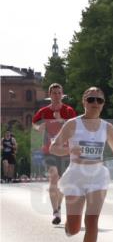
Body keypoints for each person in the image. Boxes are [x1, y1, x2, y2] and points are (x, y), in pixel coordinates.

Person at [48, 87, 113, 242]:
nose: (95, 103)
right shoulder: (72, 125)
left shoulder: (107, 127)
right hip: (76, 175)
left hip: (97, 176)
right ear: (84, 101)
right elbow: (54, 147)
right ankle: (69, 226)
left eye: (99, 100)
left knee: (92, 221)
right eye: (91, 99)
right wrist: (68, 150)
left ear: (103, 104)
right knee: (74, 228)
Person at [32, 83, 77, 224]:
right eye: (54, 93)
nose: (56, 95)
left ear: (62, 94)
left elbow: (75, 127)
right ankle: (56, 212)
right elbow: (34, 122)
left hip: (65, 151)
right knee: (53, 177)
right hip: (49, 150)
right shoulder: (44, 111)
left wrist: (61, 120)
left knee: (63, 183)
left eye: (59, 93)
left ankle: (58, 205)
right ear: (49, 94)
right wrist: (39, 127)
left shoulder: (69, 110)